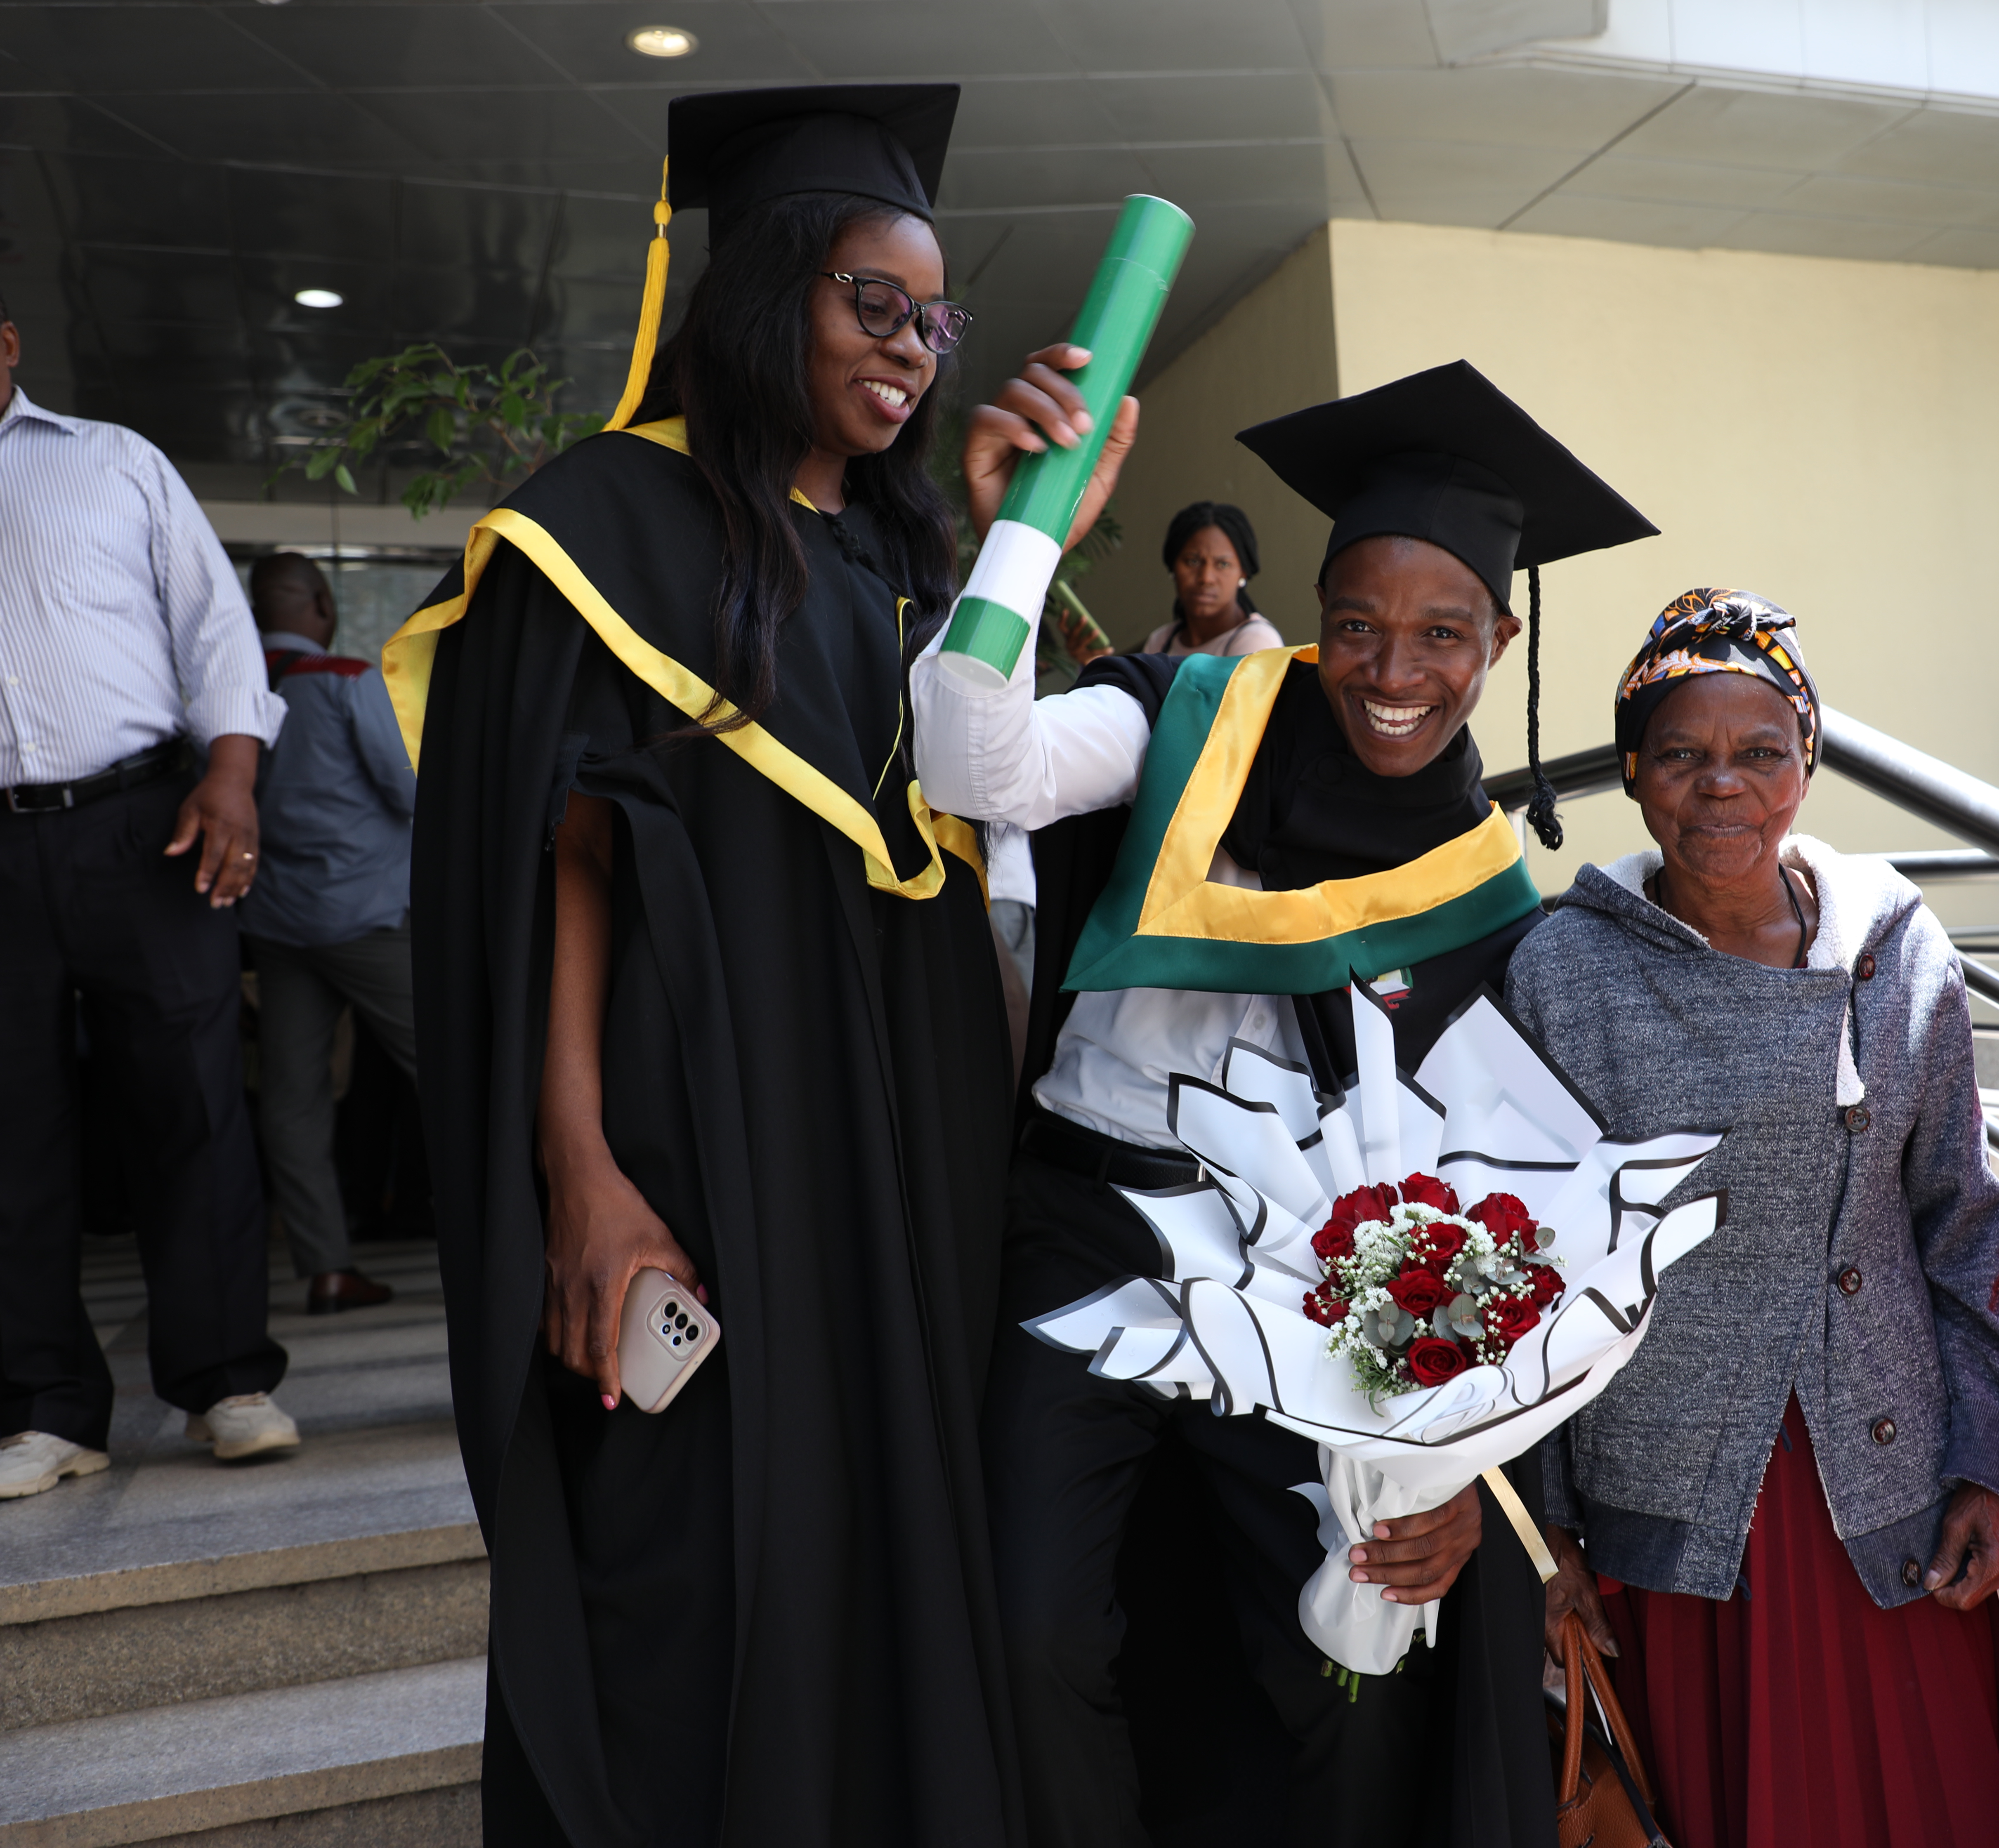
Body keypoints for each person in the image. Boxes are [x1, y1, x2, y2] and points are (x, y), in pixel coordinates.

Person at [392, 85, 1121, 1844]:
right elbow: (562, 868)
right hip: (698, 1150)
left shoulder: (895, 567)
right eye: (870, 299)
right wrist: (580, 1175)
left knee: (884, 1545)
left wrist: (1018, 529)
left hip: (899, 1169)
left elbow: (977, 807)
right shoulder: (604, 530)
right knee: (701, 1566)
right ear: (765, 290)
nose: (911, 346)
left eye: (931, 317)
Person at [915, 360, 1656, 1848]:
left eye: (1441, 635)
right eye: (1359, 627)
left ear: (1496, 640)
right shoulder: (1193, 712)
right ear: (1313, 615)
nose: (1393, 670)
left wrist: (1466, 1468)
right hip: (1092, 1226)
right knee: (1033, 1627)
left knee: (1344, 1661)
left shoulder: (1484, 894)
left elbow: (1486, 1202)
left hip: (1299, 1285)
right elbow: (967, 754)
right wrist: (1024, 540)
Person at [1503, 589, 1999, 1848]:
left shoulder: (1890, 945)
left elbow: (1960, 1226)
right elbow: (1527, 1265)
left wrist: (1990, 1457)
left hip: (1890, 1488)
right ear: (1632, 772)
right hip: (1675, 1513)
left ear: (1804, 762)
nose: (1722, 788)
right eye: (1682, 755)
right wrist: (1545, 1540)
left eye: (1759, 752)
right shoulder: (1562, 968)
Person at [0, 291, 302, 1500]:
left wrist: (233, 773)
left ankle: (224, 1380)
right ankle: (44, 1405)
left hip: (146, 823)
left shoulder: (113, 462)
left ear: (8, 340)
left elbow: (215, 626)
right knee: (10, 1131)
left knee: (189, 1101)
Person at [243, 551, 416, 1315]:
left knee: (292, 1098)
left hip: (277, 926)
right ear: (320, 602)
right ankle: (511, 1245)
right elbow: (410, 789)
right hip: (367, 916)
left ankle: (326, 1270)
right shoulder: (346, 680)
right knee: (459, 1074)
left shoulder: (228, 697)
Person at [1140, 498, 1283, 657]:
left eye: (1223, 565)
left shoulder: (1256, 641)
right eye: (1193, 562)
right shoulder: (1161, 641)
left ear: (1244, 573)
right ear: (1173, 566)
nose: (1206, 578)